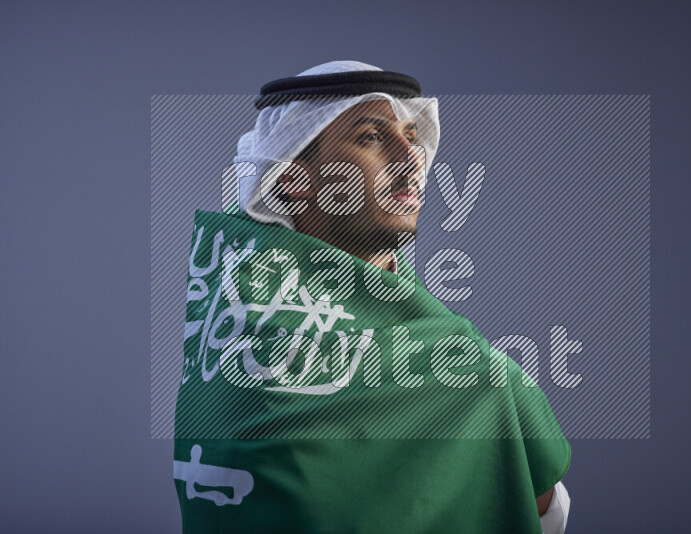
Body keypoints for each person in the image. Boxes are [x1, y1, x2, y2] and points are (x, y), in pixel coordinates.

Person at [174, 60, 571, 533]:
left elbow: (541, 503)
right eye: (371, 137)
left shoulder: (461, 357)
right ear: (290, 178)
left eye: (411, 136)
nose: (412, 160)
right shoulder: (244, 319)